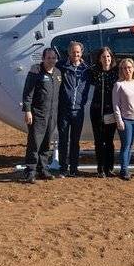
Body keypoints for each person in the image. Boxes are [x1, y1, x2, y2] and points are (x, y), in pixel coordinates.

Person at [21, 47, 62, 184]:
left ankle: (43, 169)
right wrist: (27, 110)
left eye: (53, 58)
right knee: (35, 143)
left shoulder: (57, 73)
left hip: (52, 114)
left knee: (46, 143)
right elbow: (28, 93)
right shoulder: (36, 72)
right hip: (38, 114)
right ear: (43, 58)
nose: (51, 60)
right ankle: (30, 172)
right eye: (48, 57)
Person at [56, 41, 91, 177]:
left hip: (78, 110)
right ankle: (63, 168)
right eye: (73, 52)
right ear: (69, 53)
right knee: (63, 140)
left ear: (81, 53)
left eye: (78, 52)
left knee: (75, 141)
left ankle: (74, 168)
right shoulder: (61, 67)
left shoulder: (87, 69)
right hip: (64, 110)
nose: (75, 54)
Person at [88, 46, 118, 178]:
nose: (106, 59)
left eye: (108, 56)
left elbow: (131, 75)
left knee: (109, 141)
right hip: (96, 110)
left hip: (111, 111)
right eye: (103, 57)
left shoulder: (116, 72)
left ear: (111, 58)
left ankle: (109, 168)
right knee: (99, 141)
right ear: (99, 59)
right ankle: (100, 168)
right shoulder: (94, 71)